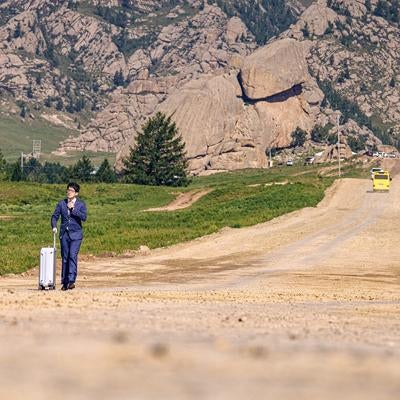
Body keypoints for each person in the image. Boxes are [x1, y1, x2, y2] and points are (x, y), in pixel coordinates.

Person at [51, 182, 87, 290]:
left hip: (76, 235)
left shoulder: (81, 204)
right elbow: (54, 216)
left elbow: (84, 217)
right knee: (65, 258)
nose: (69, 192)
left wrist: (73, 209)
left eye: (71, 190)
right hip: (64, 235)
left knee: (72, 255)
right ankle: (64, 282)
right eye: (68, 190)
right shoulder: (61, 203)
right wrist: (54, 226)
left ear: (76, 193)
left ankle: (71, 280)